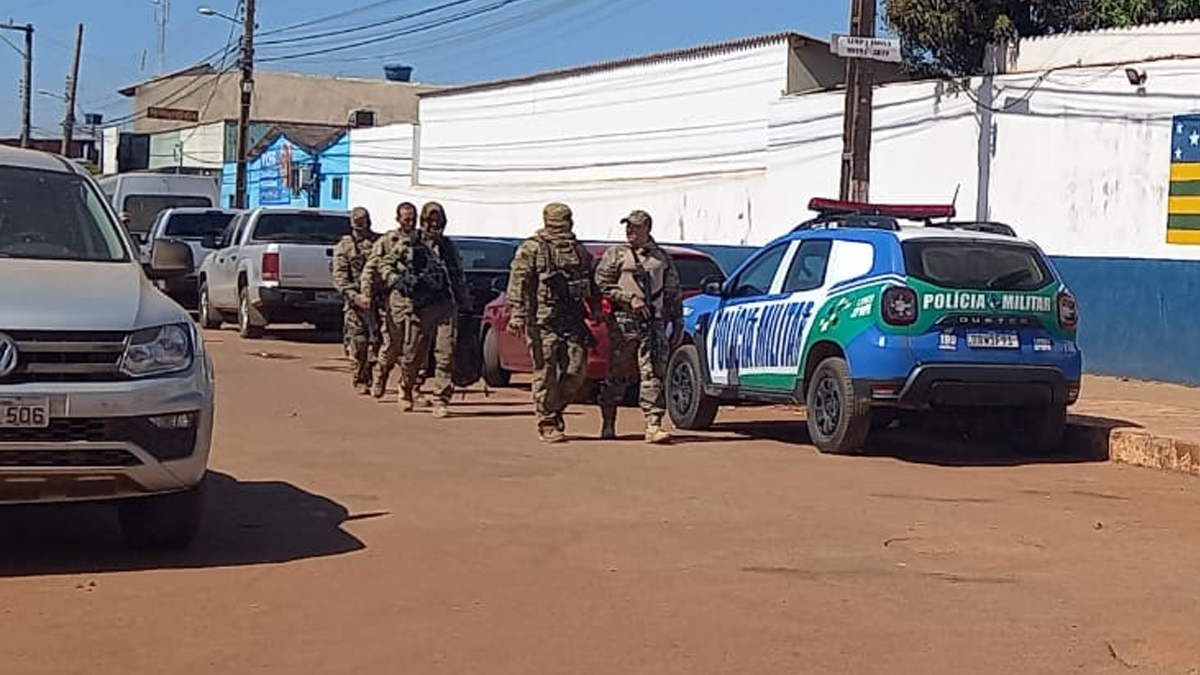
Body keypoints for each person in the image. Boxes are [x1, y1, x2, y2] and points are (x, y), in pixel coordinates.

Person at [506, 202, 600, 443]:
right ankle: (547, 420)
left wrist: (596, 309)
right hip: (542, 321)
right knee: (545, 371)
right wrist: (516, 313)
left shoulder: (579, 251)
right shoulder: (532, 248)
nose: (562, 227)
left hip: (572, 319)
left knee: (577, 371)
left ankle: (554, 407)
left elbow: (589, 282)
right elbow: (518, 281)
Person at [594, 209, 683, 444]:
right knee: (617, 375)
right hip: (623, 323)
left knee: (653, 372)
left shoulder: (661, 258)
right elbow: (601, 284)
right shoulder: (617, 254)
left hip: (652, 323)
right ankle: (609, 421)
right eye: (627, 226)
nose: (629, 230)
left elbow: (673, 291)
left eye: (635, 226)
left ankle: (653, 424)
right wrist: (626, 298)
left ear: (647, 229)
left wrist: (677, 320)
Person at [378, 201, 467, 417]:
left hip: (445, 306)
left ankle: (441, 398)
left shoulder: (448, 246)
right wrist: (398, 281)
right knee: (413, 354)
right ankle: (406, 389)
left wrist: (464, 301)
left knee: (446, 354)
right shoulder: (410, 243)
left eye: (439, 221)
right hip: (419, 307)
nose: (435, 225)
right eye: (431, 221)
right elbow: (385, 264)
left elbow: (457, 274)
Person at [361, 201, 418, 399]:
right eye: (406, 219)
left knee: (416, 345)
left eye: (413, 219)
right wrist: (366, 294)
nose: (410, 223)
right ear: (398, 219)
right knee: (393, 344)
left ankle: (411, 387)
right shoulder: (388, 241)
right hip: (396, 299)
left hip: (420, 300)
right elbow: (370, 268)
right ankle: (381, 375)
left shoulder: (421, 240)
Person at [332, 206, 381, 394]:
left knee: (379, 342)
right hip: (356, 302)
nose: (362, 227)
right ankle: (360, 377)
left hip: (379, 301)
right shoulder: (345, 246)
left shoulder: (379, 242)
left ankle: (374, 374)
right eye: (358, 223)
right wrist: (355, 296)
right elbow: (340, 278)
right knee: (359, 341)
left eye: (364, 222)